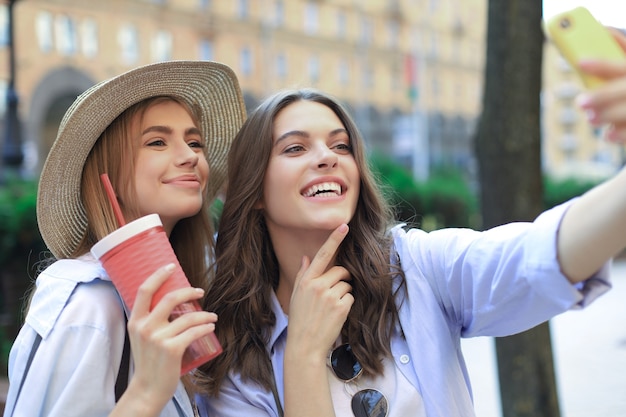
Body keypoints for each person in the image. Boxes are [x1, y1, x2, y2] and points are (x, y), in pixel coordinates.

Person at [193, 37, 626, 416]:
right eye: (295, 148)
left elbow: (540, 254)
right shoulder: (232, 357)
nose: (327, 156)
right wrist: (304, 354)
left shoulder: (417, 268)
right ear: (254, 192)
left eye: (341, 144)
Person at [3, 61, 246, 417]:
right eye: (157, 142)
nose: (190, 156)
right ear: (108, 177)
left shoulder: (191, 288)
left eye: (195, 142)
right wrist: (146, 393)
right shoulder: (89, 308)